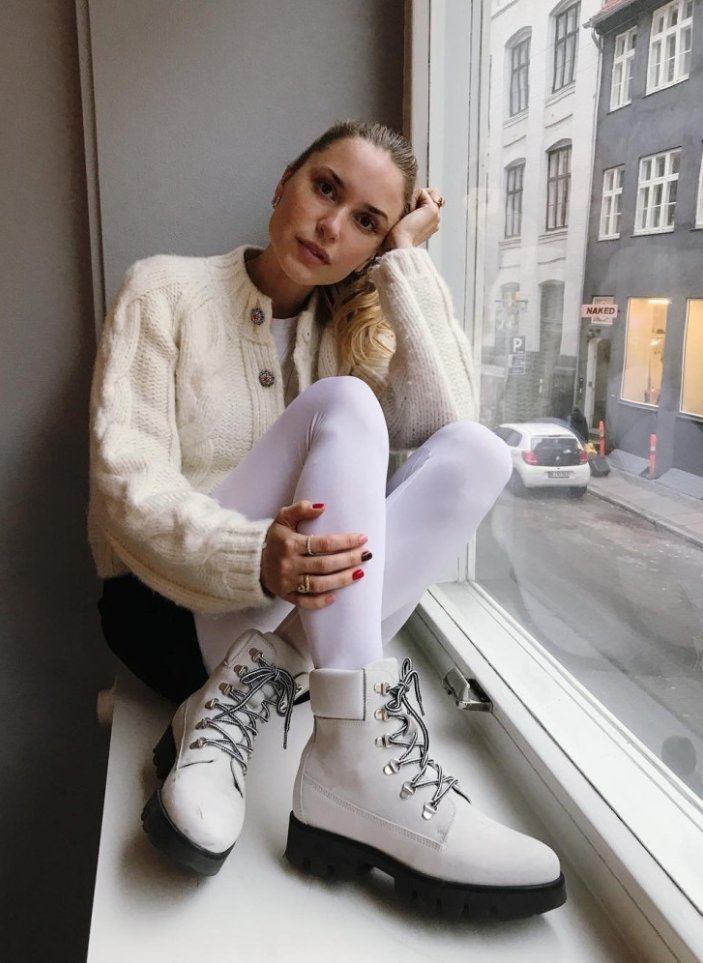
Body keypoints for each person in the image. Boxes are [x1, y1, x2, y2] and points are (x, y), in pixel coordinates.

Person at [89, 120, 565, 918]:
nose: (331, 225)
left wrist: (407, 258)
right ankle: (346, 756)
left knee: (481, 452)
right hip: (167, 613)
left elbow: (449, 422)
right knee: (342, 402)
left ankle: (307, 722)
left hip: (288, 640)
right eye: (325, 189)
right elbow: (124, 485)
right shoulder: (163, 290)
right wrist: (253, 556)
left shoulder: (346, 331)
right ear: (286, 181)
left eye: (367, 221)